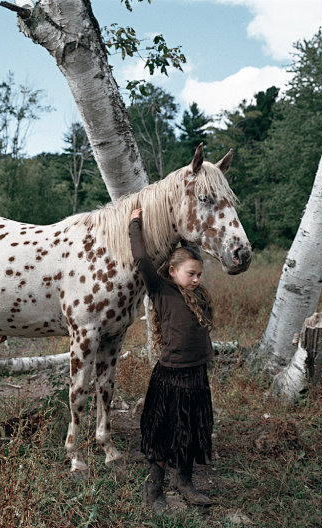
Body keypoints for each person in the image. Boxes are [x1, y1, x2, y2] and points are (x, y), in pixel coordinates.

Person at [129, 208, 215, 514]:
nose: (195, 279)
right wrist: (134, 224)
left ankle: (185, 483)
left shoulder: (200, 296)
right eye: (190, 273)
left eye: (198, 274)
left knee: (191, 432)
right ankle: (154, 490)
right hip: (170, 377)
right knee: (164, 434)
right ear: (172, 271)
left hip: (196, 376)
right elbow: (141, 259)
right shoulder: (160, 289)